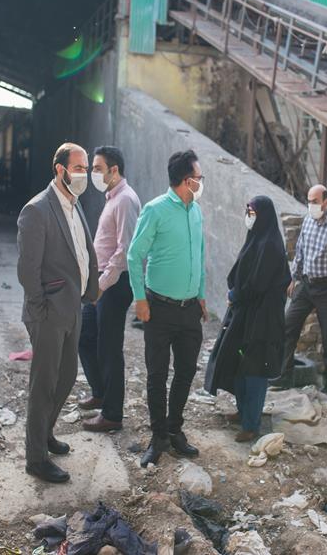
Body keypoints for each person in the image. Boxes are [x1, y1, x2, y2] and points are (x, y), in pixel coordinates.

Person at [16, 142, 99, 483]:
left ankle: (45, 433)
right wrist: (40, 309)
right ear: (60, 170)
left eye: (86, 168)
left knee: (65, 377)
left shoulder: (74, 204)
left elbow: (82, 252)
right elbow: (27, 269)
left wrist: (89, 291)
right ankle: (35, 458)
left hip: (72, 307)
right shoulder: (37, 210)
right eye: (78, 168)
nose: (83, 174)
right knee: (44, 385)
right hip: (50, 312)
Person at [127, 149, 208, 467]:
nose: (201, 182)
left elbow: (200, 253)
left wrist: (201, 295)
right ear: (187, 180)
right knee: (157, 375)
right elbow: (134, 255)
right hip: (158, 309)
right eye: (199, 177)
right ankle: (158, 436)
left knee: (186, 372)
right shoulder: (155, 210)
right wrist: (140, 299)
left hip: (190, 310)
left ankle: (175, 430)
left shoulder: (195, 211)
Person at [204, 196, 291, 442]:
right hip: (247, 312)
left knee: (255, 369)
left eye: (252, 212)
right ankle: (243, 412)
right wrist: (235, 293)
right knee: (240, 361)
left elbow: (258, 283)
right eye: (248, 211)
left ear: (263, 215)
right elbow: (243, 274)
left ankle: (251, 424)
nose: (248, 216)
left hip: (263, 319)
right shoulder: (256, 239)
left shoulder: (270, 245)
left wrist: (235, 294)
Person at [77, 146, 141, 432]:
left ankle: (113, 414)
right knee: (85, 336)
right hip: (103, 280)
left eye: (97, 168)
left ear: (114, 170)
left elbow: (125, 251)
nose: (93, 173)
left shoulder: (126, 200)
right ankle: (101, 392)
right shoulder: (113, 197)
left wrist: (101, 285)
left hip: (115, 283)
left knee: (110, 348)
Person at [273, 185, 327, 395]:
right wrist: (294, 278)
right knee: (288, 325)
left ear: (326, 202)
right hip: (307, 284)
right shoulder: (308, 220)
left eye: (315, 201)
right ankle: (283, 375)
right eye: (309, 201)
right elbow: (300, 251)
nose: (311, 205)